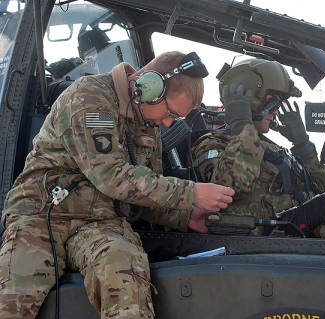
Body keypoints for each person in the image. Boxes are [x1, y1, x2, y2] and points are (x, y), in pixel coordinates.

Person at [0, 51, 235, 319]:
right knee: (14, 298)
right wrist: (191, 193)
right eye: (170, 112)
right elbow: (110, 174)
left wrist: (185, 217)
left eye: (176, 118)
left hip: (100, 223)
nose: (168, 122)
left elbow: (143, 196)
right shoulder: (90, 97)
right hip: (41, 215)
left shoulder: (149, 123)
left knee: (124, 271)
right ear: (149, 86)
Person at [192, 58, 325, 238]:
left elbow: (319, 188)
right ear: (249, 99)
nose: (275, 111)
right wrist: (242, 124)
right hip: (265, 243)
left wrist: (302, 144)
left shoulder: (269, 148)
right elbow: (229, 187)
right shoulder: (213, 143)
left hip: (299, 234)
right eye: (272, 102)